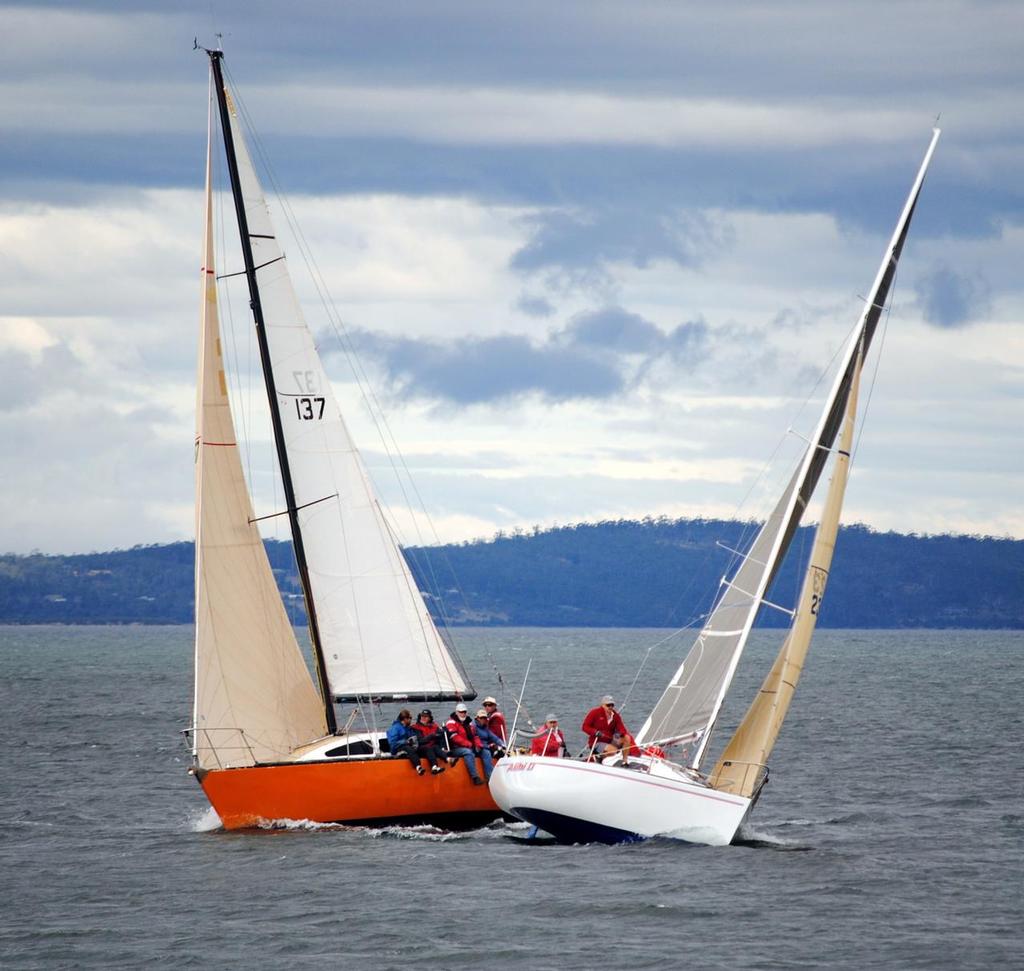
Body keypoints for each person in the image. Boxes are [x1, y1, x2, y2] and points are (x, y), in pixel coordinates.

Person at [581, 695, 634, 767]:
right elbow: (585, 727)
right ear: (603, 705)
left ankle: (625, 762)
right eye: (608, 705)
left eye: (612, 705)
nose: (610, 707)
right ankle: (596, 758)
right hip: (597, 742)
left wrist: (620, 734)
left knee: (627, 738)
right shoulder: (594, 713)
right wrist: (595, 732)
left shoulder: (615, 716)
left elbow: (622, 728)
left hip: (610, 740)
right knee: (613, 750)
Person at [445, 703, 492, 785]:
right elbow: (454, 737)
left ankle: (490, 778)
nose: (463, 714)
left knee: (486, 752)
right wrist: (468, 744)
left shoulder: (469, 723)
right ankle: (475, 777)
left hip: (470, 746)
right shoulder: (451, 722)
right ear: (456, 712)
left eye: (464, 712)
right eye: (461, 712)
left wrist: (478, 745)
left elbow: (475, 736)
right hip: (455, 748)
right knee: (468, 752)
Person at [386, 708, 425, 775]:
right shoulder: (395, 728)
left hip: (408, 746)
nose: (411, 720)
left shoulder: (407, 728)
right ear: (405, 719)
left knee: (423, 748)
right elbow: (392, 743)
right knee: (408, 748)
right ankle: (418, 766)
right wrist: (406, 742)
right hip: (397, 749)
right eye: (410, 718)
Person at [410, 709, 447, 774]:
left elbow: (441, 736)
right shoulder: (415, 727)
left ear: (429, 718)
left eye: (426, 716)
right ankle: (434, 766)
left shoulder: (434, 726)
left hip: (433, 748)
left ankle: (448, 759)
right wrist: (431, 736)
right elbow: (420, 741)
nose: (423, 718)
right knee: (429, 748)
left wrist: (443, 747)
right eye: (422, 716)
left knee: (436, 747)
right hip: (421, 749)